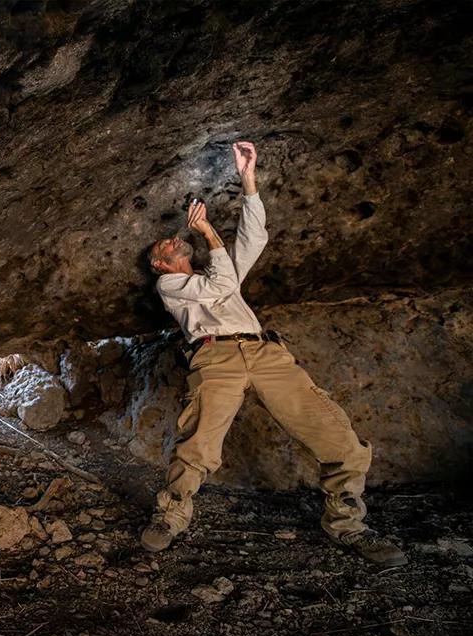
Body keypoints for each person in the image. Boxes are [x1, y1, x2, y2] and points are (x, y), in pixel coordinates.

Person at [140, 141, 407, 566]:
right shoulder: (170, 287)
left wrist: (248, 180)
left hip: (266, 354)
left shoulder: (218, 270)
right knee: (198, 442)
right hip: (215, 358)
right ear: (159, 265)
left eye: (175, 237)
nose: (175, 239)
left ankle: (348, 524)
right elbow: (219, 287)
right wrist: (207, 233)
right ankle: (169, 517)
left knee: (335, 433)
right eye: (165, 246)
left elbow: (253, 239)